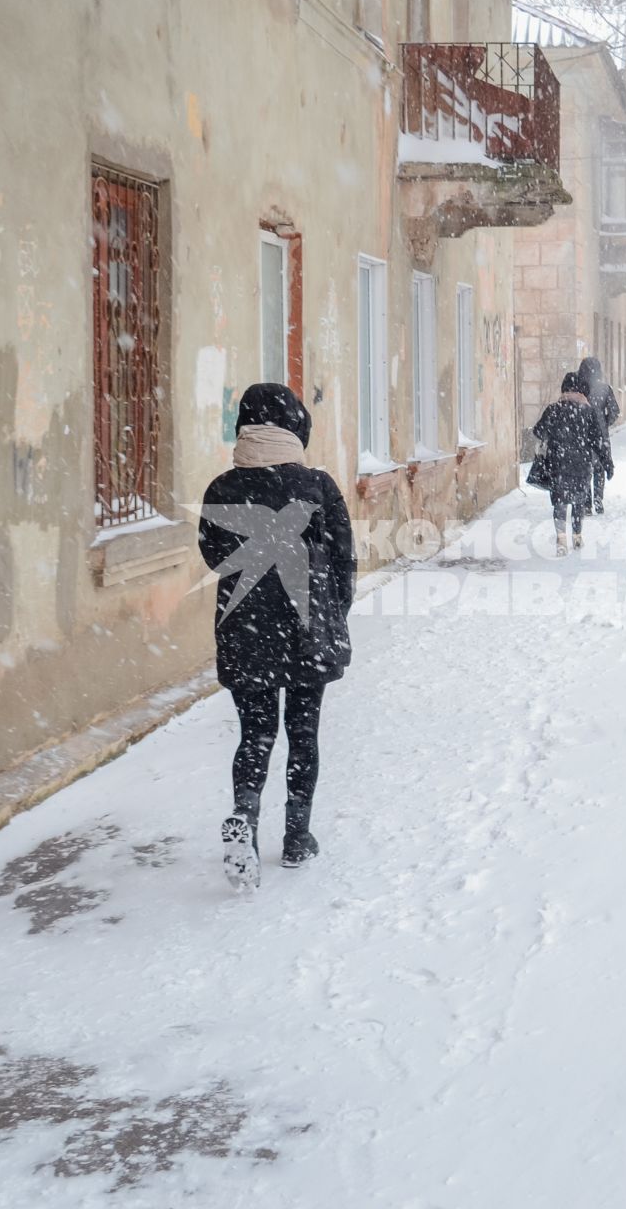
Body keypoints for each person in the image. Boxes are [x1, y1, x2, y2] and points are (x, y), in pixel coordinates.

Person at [197, 383, 355, 894]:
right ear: (295, 426)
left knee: (255, 733)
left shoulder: (221, 489)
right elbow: (343, 561)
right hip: (308, 633)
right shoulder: (318, 486)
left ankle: (244, 817)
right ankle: (296, 836)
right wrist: (333, 613)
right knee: (303, 734)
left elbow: (214, 557)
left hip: (246, 632)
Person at [533, 372, 611, 552]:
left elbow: (538, 431)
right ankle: (577, 536)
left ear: (564, 389)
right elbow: (598, 440)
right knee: (578, 501)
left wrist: (553, 432)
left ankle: (561, 540)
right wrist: (607, 463)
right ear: (583, 390)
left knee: (560, 502)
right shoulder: (588, 412)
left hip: (558, 463)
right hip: (581, 464)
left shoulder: (553, 409)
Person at [576, 355, 620, 513]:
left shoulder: (578, 388)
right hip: (600, 432)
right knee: (599, 466)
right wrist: (604, 422)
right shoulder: (605, 389)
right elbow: (615, 411)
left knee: (585, 466)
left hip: (582, 432)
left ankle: (586, 503)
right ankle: (598, 498)